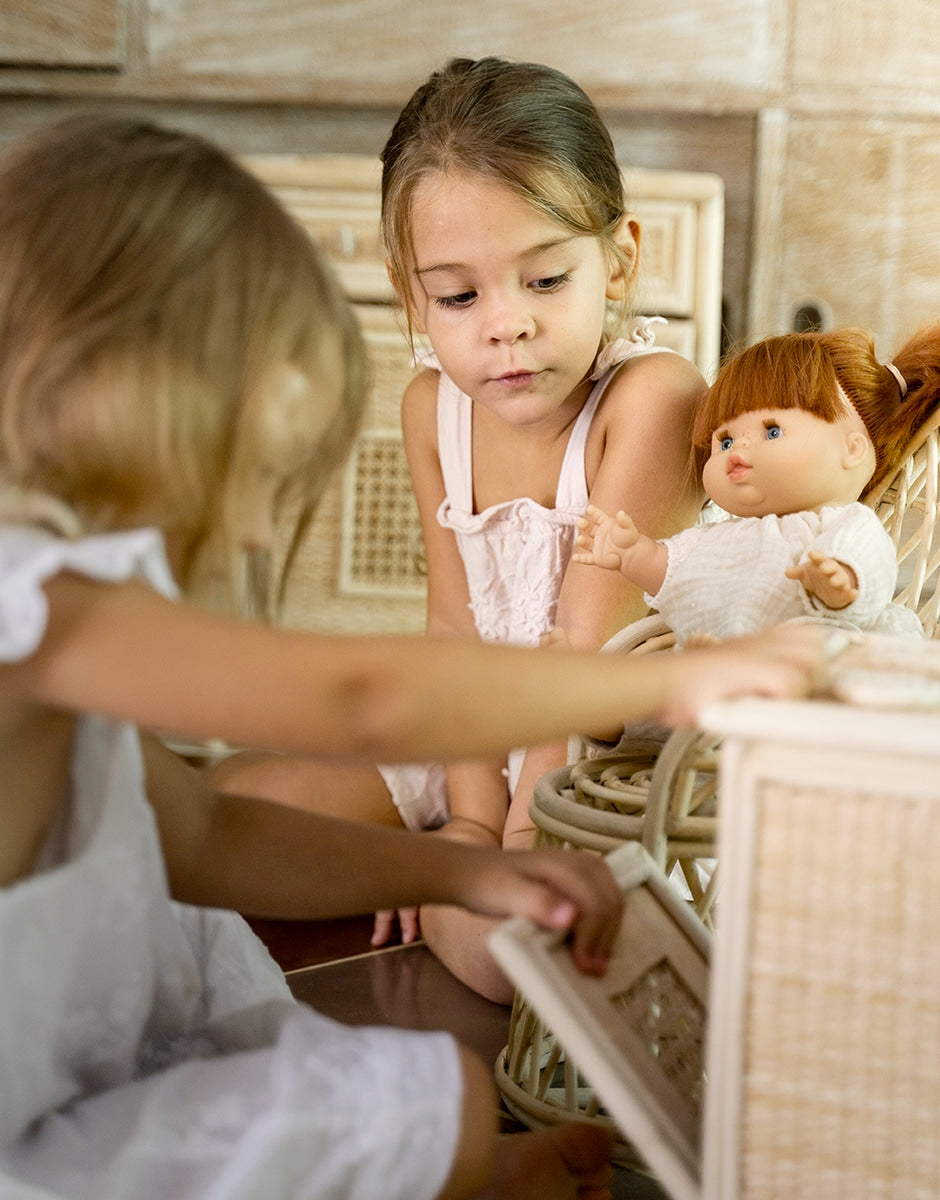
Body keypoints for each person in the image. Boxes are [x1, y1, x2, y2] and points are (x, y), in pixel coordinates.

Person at [0, 114, 826, 1200]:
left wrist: (467, 866)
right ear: (129, 386)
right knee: (416, 1104)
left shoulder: (62, 602)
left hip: (53, 1053)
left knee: (419, 1096)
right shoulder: (31, 599)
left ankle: (459, 1167)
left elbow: (198, 832)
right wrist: (669, 677)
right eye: (249, 472)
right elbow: (368, 695)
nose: (252, 535)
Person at [217, 56, 712, 998]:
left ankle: (442, 907)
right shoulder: (430, 407)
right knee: (233, 805)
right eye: (459, 296)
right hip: (477, 731)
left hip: (592, 757)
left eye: (544, 279)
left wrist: (497, 850)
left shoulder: (651, 401)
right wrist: (466, 833)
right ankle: (425, 880)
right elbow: (455, 631)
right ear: (412, 297)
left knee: (502, 953)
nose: (506, 328)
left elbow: (579, 675)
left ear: (620, 259)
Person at [574, 327, 940, 645]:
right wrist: (633, 554)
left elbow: (870, 566)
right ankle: (605, 705)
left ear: (852, 449)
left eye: (772, 431)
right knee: (651, 679)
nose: (739, 449)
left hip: (821, 653)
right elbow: (672, 570)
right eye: (726, 441)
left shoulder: (843, 525)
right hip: (733, 663)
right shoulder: (721, 537)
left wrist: (839, 580)